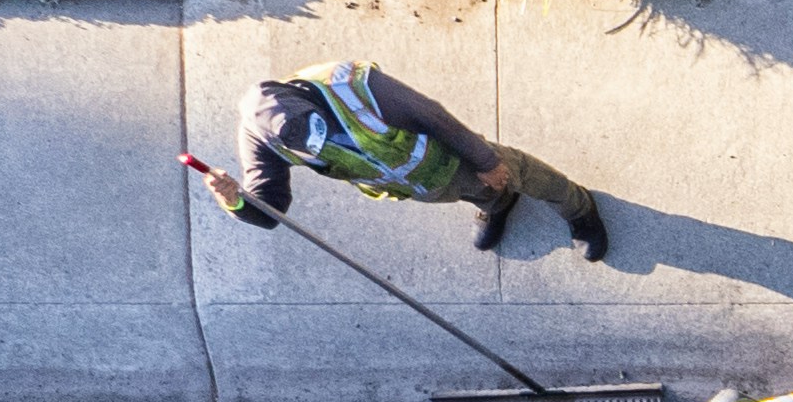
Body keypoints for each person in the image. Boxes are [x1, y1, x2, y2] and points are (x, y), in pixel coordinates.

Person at [222, 59, 609, 260]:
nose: (315, 143)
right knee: (474, 193)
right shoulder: (259, 140)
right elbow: (269, 211)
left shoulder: (352, 86)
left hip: (453, 154)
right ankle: (499, 203)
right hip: (414, 182)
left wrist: (485, 160)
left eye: (315, 128)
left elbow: (432, 116)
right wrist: (235, 200)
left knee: (519, 173)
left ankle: (579, 208)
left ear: (303, 100)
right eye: (304, 144)